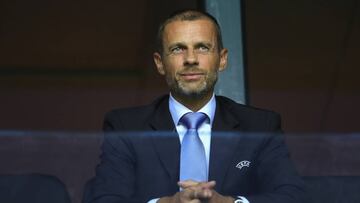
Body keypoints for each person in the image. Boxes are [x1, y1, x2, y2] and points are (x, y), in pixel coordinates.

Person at [85, 9, 306, 203]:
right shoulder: (126, 127)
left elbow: (292, 197)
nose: (191, 59)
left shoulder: (259, 125)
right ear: (160, 63)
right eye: (178, 49)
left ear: (222, 59)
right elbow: (105, 199)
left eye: (202, 47)